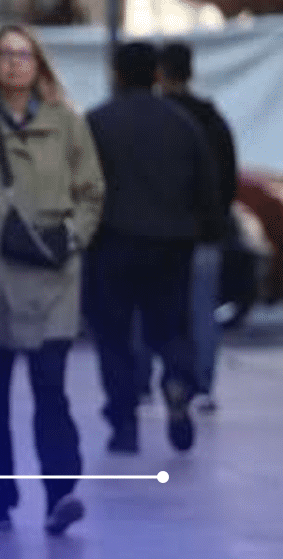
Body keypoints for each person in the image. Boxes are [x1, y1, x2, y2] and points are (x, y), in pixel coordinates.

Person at [0, 25, 105, 535]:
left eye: (24, 54)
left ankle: (61, 494)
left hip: (53, 277)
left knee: (51, 390)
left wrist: (73, 237)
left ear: (39, 65)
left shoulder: (68, 124)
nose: (14, 63)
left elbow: (91, 192)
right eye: (5, 54)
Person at [85, 42, 223, 454]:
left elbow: (81, 186)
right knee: (170, 327)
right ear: (156, 74)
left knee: (113, 335)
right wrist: (204, 232)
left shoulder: (98, 122)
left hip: (113, 243)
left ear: (118, 74)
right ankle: (179, 380)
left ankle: (124, 421)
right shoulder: (184, 125)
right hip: (171, 245)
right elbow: (208, 189)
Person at [158, 42, 239, 414]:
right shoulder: (211, 119)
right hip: (204, 233)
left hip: (159, 232)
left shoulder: (158, 116)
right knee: (202, 309)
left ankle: (149, 384)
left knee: (152, 307)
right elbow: (228, 179)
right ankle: (204, 384)